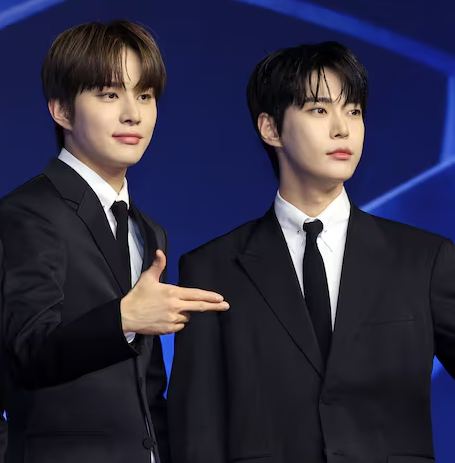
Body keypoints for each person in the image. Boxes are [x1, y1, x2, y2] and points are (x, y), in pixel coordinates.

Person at [168, 41, 455, 463]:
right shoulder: (212, 268)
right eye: (320, 110)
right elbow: (197, 430)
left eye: (353, 111)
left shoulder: (424, 259)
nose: (343, 129)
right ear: (270, 128)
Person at [0, 20, 229, 463]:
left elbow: (148, 387)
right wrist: (123, 318)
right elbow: (26, 353)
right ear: (62, 110)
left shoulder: (148, 230)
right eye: (109, 94)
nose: (133, 114)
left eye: (145, 95)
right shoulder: (27, 213)